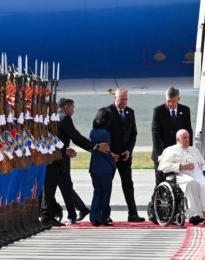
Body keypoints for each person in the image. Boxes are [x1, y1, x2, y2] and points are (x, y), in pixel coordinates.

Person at [41, 98, 108, 226]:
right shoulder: (64, 118)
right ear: (66, 107)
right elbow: (76, 137)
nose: (73, 110)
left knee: (62, 187)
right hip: (56, 159)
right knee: (50, 188)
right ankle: (47, 216)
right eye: (72, 107)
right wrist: (96, 147)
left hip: (55, 157)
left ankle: (71, 214)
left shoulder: (49, 117)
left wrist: (63, 149)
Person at [157, 129, 205, 225]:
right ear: (178, 139)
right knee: (192, 183)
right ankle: (195, 214)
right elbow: (163, 166)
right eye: (184, 138)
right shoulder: (170, 150)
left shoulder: (194, 150)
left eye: (188, 138)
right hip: (181, 175)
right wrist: (180, 166)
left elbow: (203, 163)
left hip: (198, 175)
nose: (188, 140)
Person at [104, 88, 145, 222]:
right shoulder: (107, 112)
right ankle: (105, 214)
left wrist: (129, 150)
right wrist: (109, 152)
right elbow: (102, 133)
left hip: (125, 156)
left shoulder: (130, 112)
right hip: (110, 156)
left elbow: (133, 133)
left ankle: (133, 214)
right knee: (107, 185)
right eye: (122, 99)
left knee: (128, 184)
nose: (124, 102)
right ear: (114, 98)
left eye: (126, 99)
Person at [151, 87, 193, 185]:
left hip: (178, 154)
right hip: (161, 154)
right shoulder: (158, 111)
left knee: (176, 183)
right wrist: (160, 154)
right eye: (168, 101)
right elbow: (156, 134)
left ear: (178, 99)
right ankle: (156, 200)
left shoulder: (185, 110)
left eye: (173, 101)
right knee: (161, 183)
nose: (170, 104)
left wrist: (188, 151)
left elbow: (188, 131)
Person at [88, 108, 116, 226]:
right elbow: (106, 151)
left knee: (97, 192)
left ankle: (94, 216)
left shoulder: (92, 132)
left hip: (94, 167)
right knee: (106, 193)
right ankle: (104, 217)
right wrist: (113, 161)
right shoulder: (105, 133)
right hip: (104, 168)